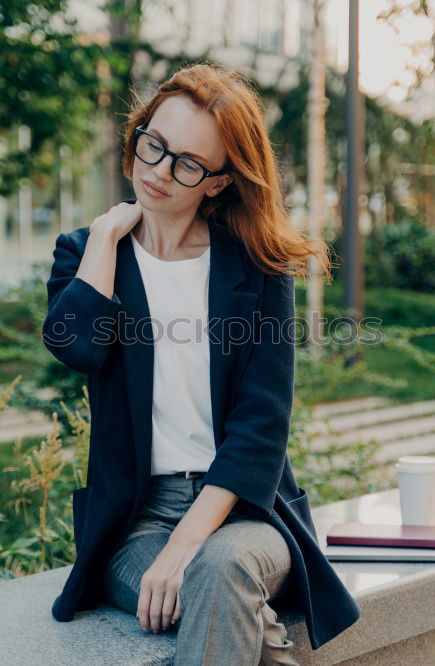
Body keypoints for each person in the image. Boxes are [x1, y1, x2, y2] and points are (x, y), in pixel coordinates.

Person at [43, 62, 360, 665]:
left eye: (187, 163)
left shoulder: (258, 268)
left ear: (217, 182)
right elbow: (76, 346)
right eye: (153, 145)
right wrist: (109, 237)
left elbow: (262, 426)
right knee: (225, 603)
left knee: (222, 569)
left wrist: (188, 542)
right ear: (137, 134)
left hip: (244, 512)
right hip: (136, 522)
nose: (159, 171)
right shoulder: (87, 253)